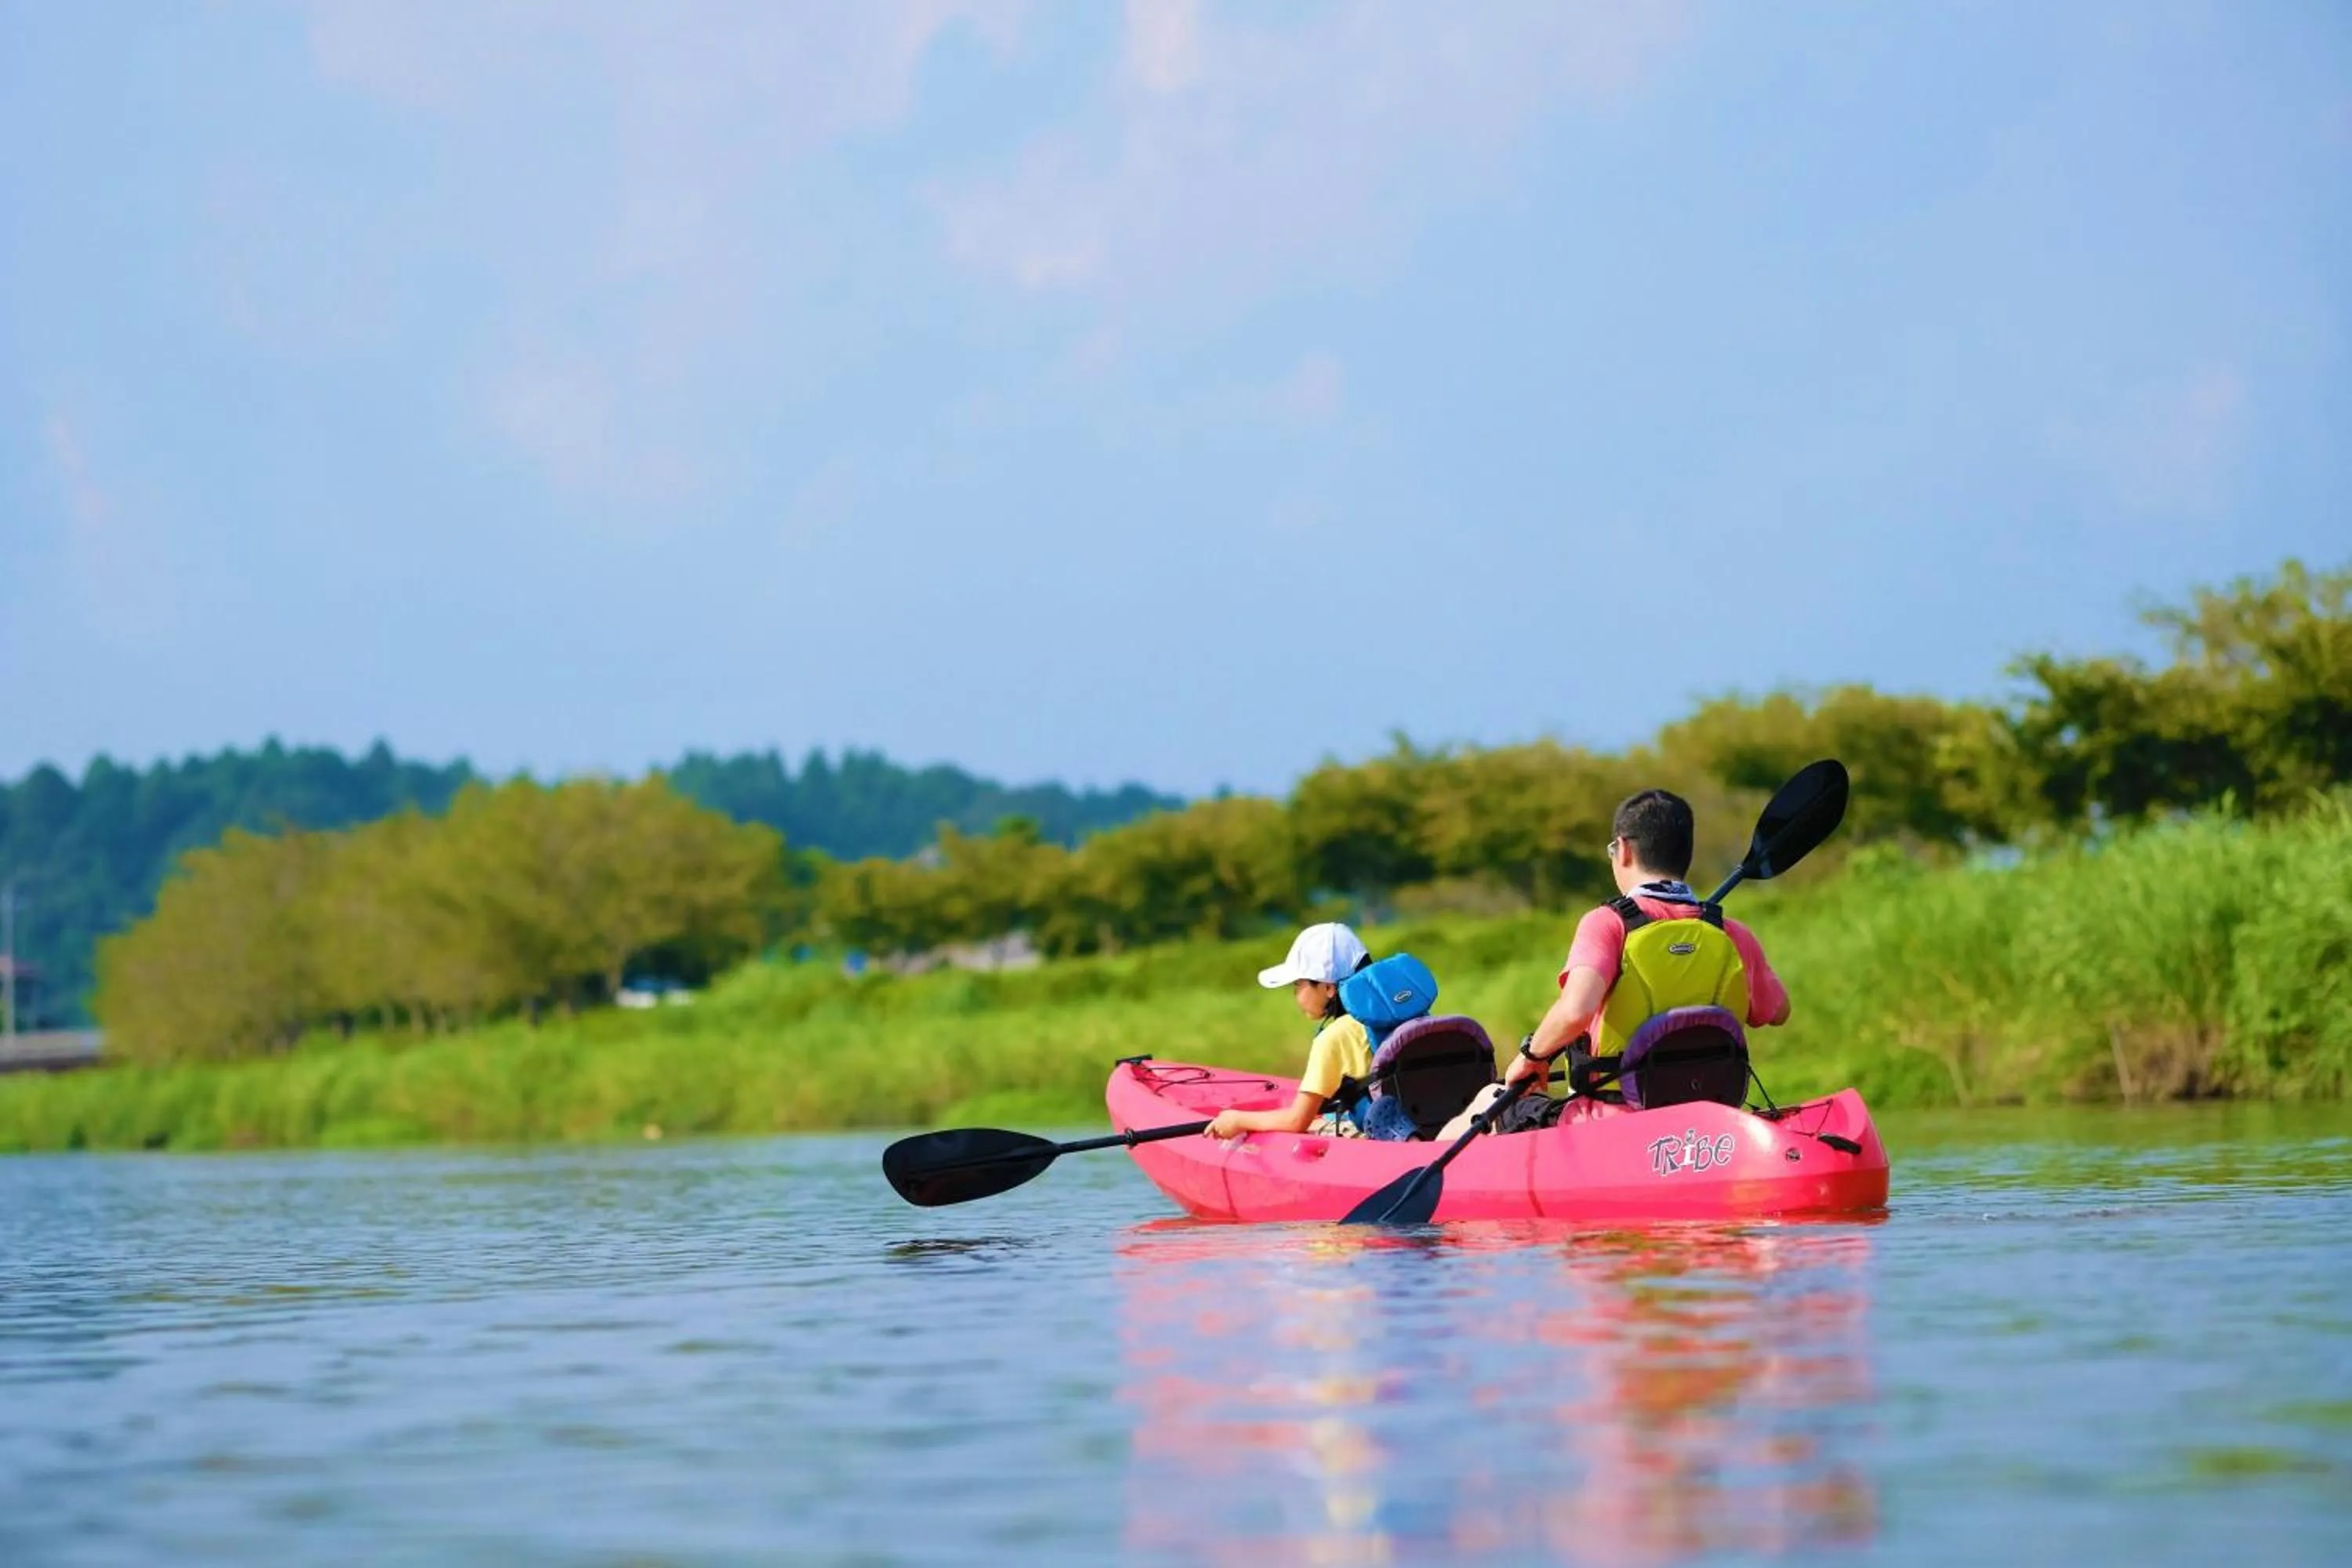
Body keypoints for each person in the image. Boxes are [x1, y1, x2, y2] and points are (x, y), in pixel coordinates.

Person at [1465, 789, 1791, 1134]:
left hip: (1611, 1125)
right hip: (1709, 1123)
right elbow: (1778, 1011)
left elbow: (1576, 1011)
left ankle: (1414, 1168)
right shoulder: (1730, 933)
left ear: (1623, 850)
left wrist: (1532, 1058)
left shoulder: (1608, 923)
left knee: (1491, 1097)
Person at [1203, 922, 1375, 1140]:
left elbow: (1297, 1120)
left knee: (1314, 1125)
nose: (1295, 994)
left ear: (1329, 987)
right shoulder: (1405, 1014)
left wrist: (1237, 1120)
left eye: (1298, 984)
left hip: (1376, 1137)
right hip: (1418, 1127)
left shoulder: (1334, 1037)